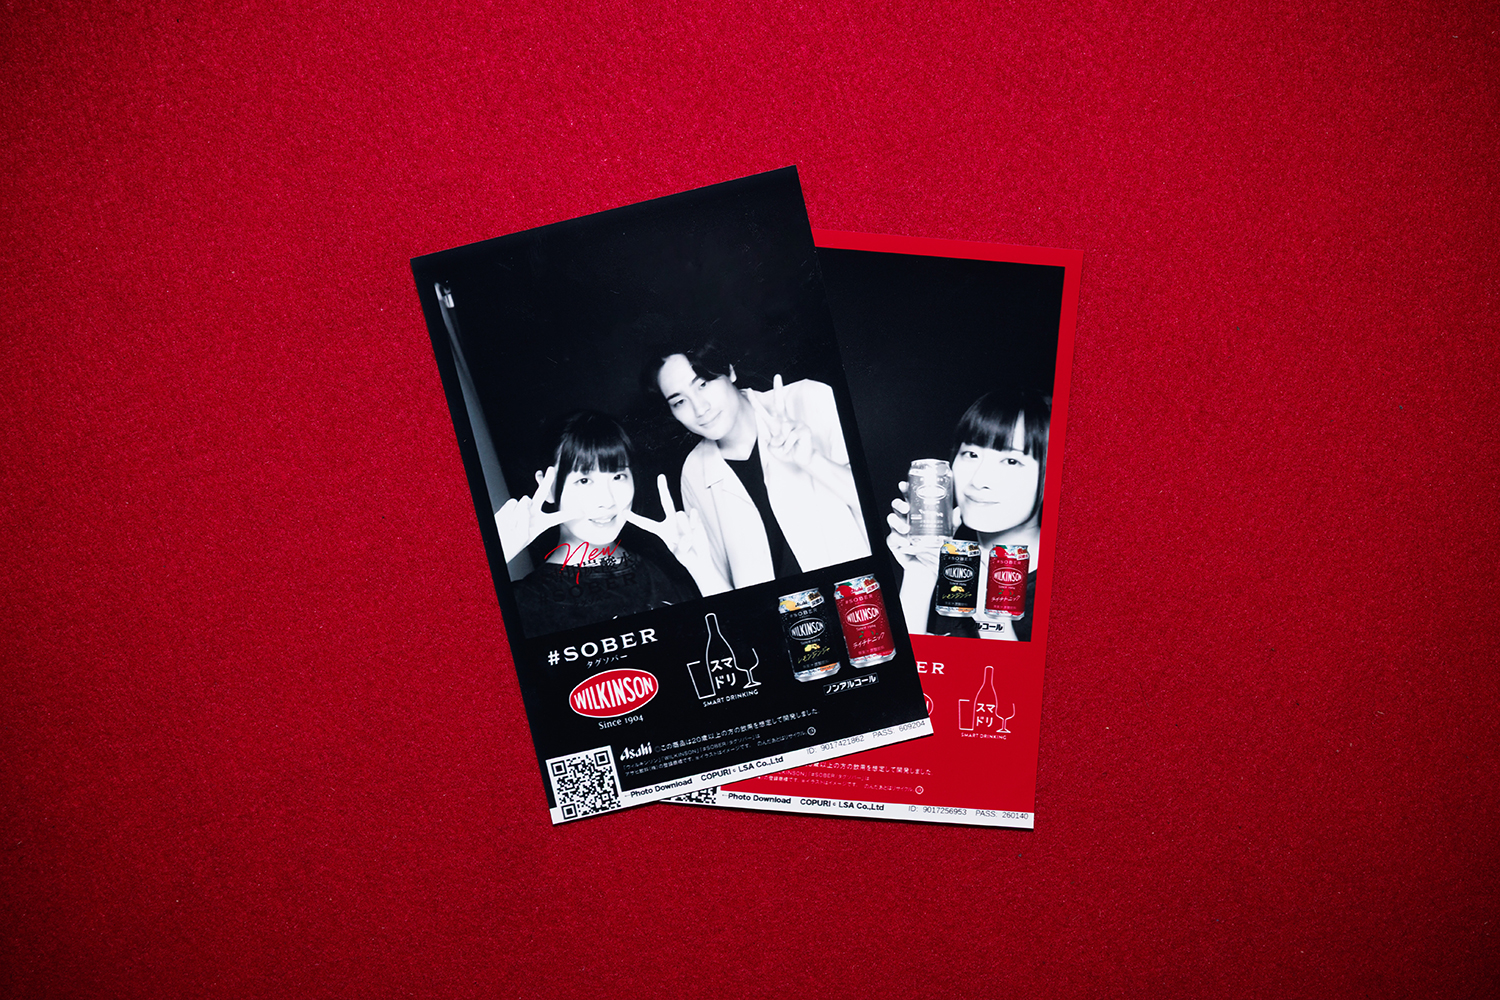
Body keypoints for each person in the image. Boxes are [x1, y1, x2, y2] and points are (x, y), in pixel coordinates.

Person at [644, 344, 870, 590]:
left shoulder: (808, 398)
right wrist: (696, 566)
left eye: (703, 384)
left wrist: (812, 460)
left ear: (730, 371)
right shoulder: (694, 471)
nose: (700, 409)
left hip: (857, 596)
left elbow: (878, 504)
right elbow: (722, 586)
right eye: (679, 402)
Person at [494, 410, 728, 636]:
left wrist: (702, 569)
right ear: (548, 486)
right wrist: (492, 557)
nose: (606, 500)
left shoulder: (667, 566)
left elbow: (731, 639)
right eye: (584, 480)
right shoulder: (526, 602)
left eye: (618, 476)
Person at [886, 388, 1049, 642]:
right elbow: (908, 665)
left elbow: (1013, 669)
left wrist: (986, 604)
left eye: (1011, 461)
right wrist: (920, 572)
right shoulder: (948, 567)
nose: (979, 479)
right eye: (971, 454)